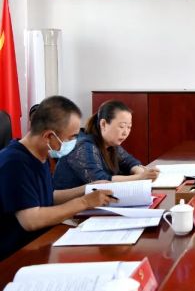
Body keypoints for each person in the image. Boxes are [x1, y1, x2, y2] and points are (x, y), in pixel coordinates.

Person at [0, 95, 114, 261]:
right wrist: (84, 202)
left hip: (40, 245)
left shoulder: (41, 154)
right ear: (49, 136)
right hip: (15, 257)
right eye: (72, 137)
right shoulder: (14, 163)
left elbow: (47, 196)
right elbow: (31, 219)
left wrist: (86, 189)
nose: (75, 142)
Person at [53, 100, 159, 190]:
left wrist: (141, 172)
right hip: (68, 205)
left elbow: (130, 162)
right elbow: (101, 181)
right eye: (122, 126)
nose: (125, 132)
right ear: (103, 124)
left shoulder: (110, 144)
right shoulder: (83, 146)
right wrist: (140, 177)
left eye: (129, 127)